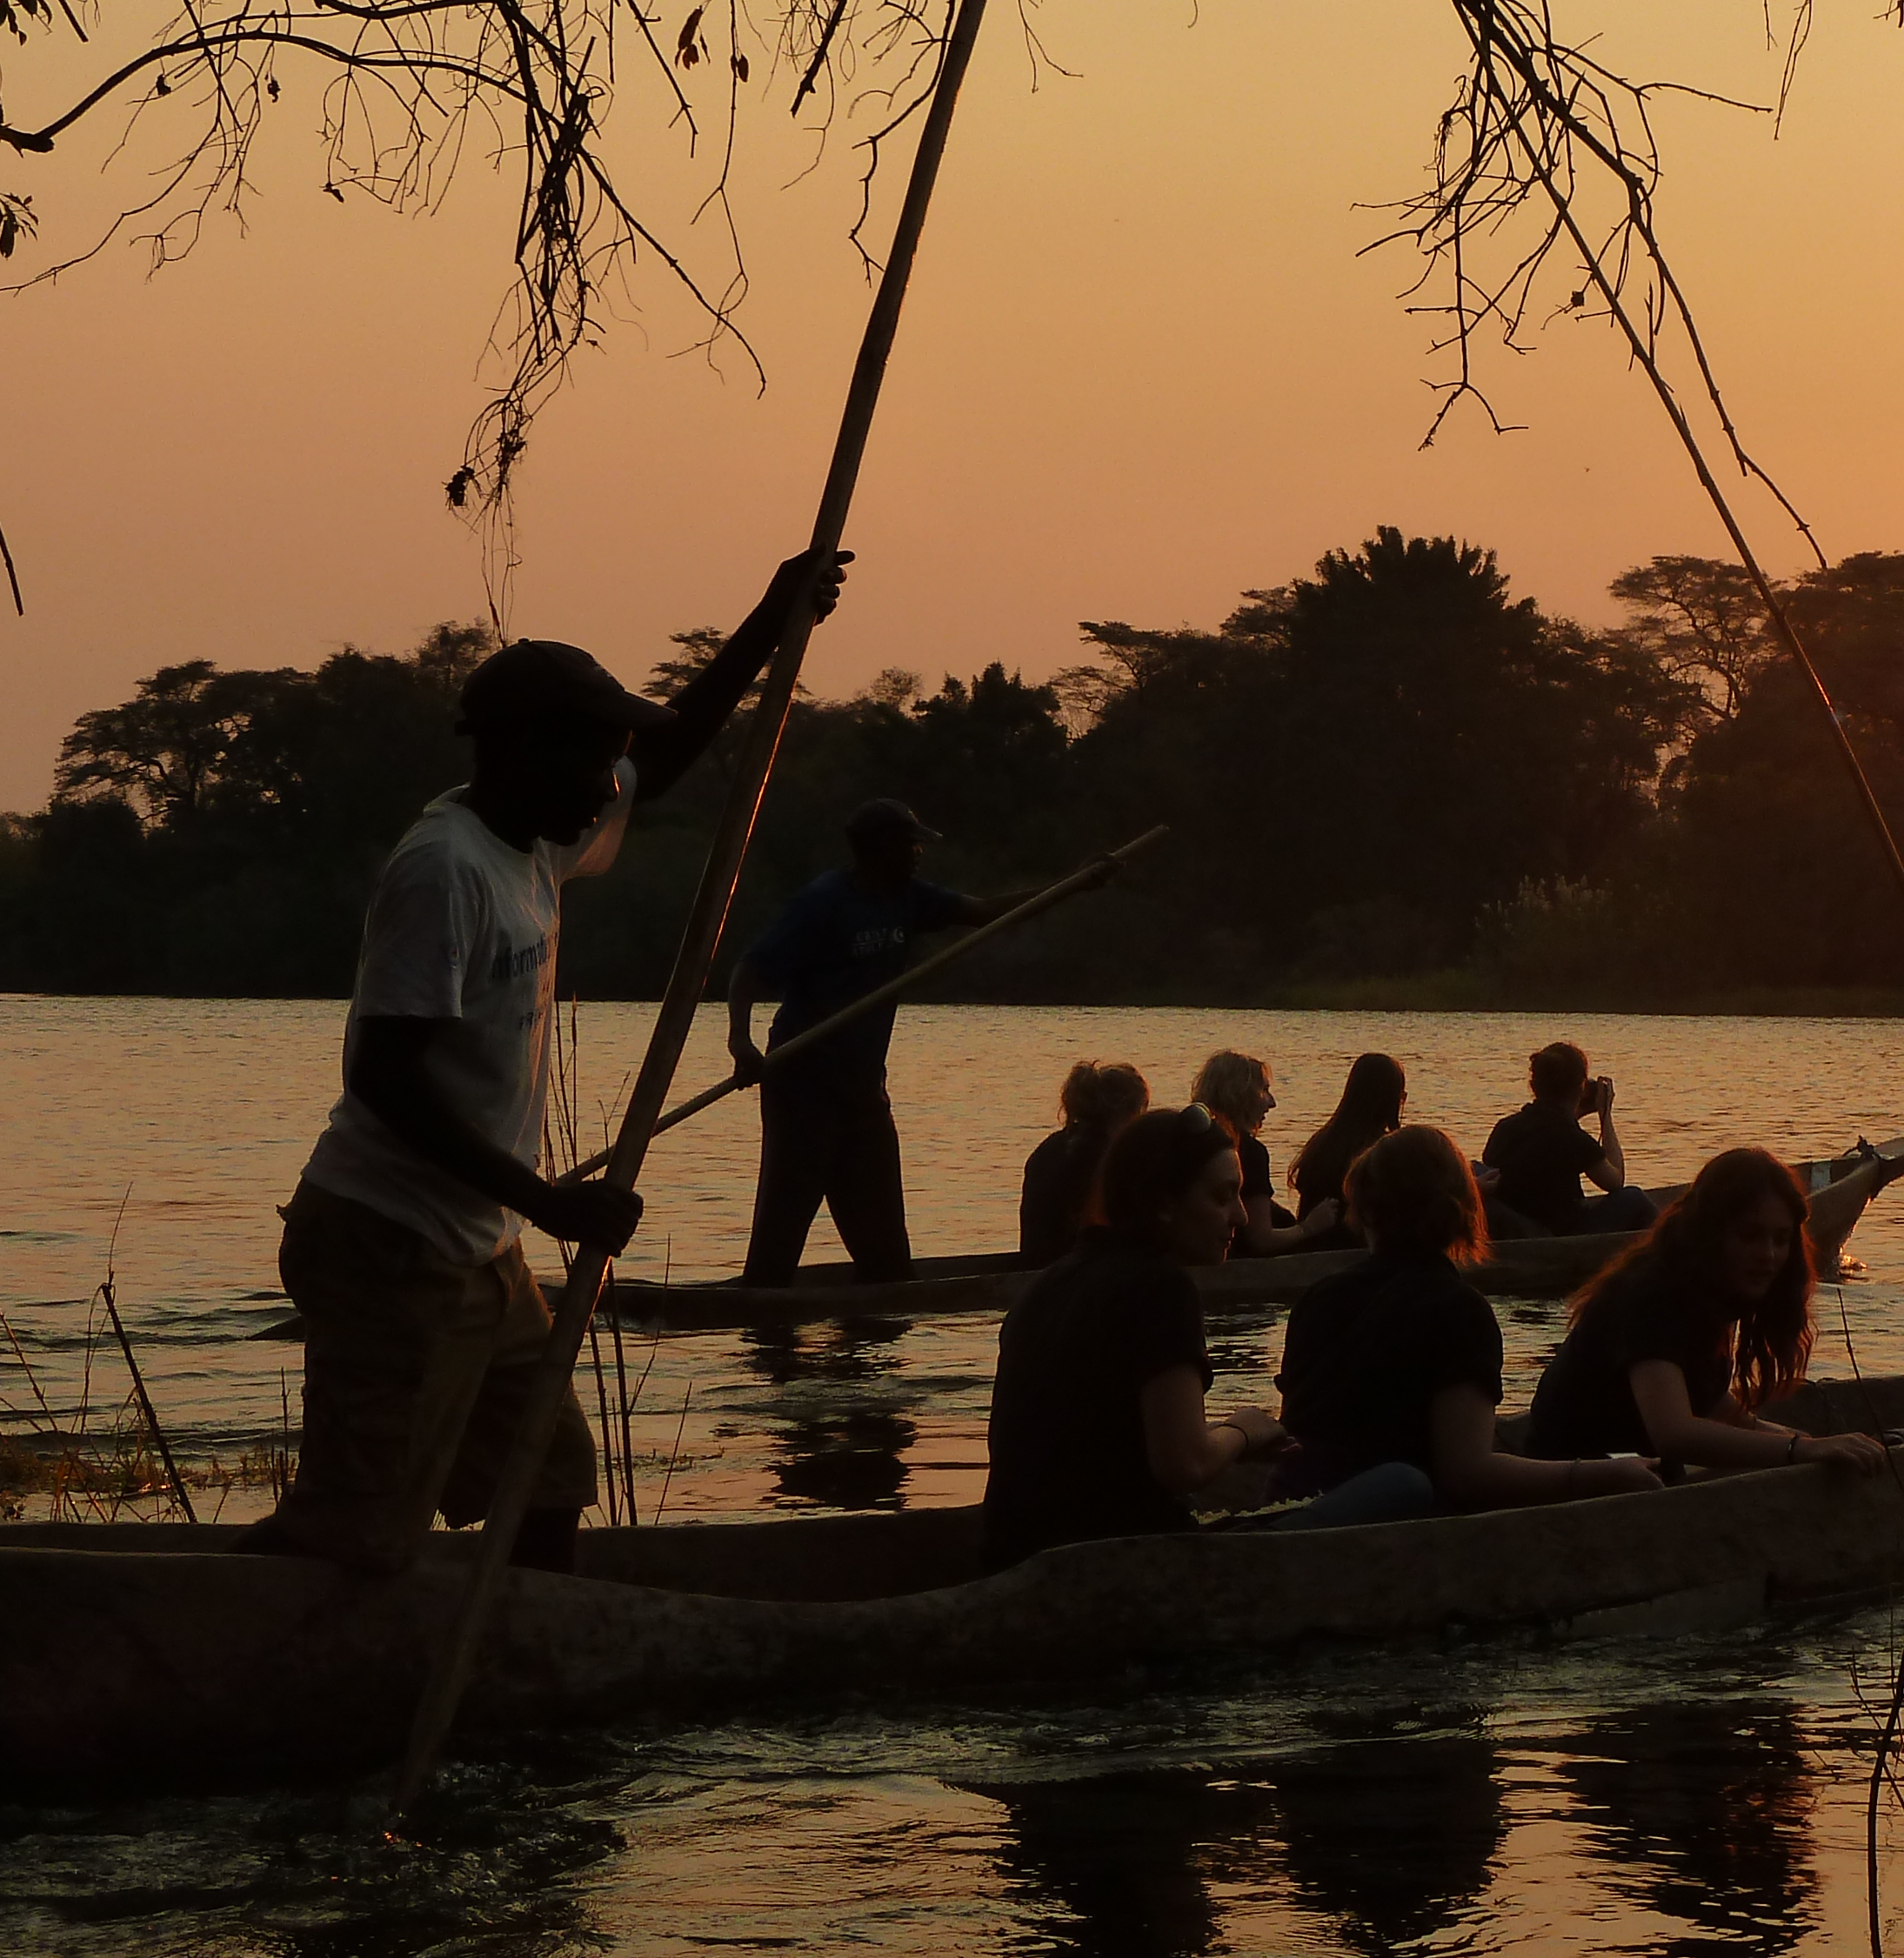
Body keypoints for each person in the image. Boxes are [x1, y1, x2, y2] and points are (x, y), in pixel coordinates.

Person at [244, 551, 848, 1575]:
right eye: (593, 760)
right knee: (352, 1535)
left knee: (550, 1480)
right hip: (390, 1242)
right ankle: (245, 1659)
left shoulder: (538, 833)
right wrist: (551, 1204)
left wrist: (769, 619)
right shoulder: (444, 871)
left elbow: (668, 758)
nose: (610, 785)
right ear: (518, 752)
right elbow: (383, 1082)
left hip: (481, 1245)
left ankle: (509, 1684)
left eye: (614, 758)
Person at [979, 1106, 1419, 1568]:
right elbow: (1184, 1466)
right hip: (1118, 1560)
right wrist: (1244, 1431)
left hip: (1013, 1549)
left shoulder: (1049, 1283)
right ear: (1164, 1203)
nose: (1242, 1217)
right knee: (1404, 1483)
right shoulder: (1159, 1290)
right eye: (1222, 1196)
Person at [1277, 1127, 1664, 1512]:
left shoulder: (1318, 1297)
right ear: (1462, 1209)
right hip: (1391, 1512)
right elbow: (1468, 1474)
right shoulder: (1458, 1310)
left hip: (1294, 1498)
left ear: (1364, 1211)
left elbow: (1299, 1428)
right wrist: (1603, 1475)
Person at [727, 800, 1019, 1288]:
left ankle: (874, 1340)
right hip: (802, 1082)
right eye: (911, 843)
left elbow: (987, 912)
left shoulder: (911, 898)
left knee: (885, 1255)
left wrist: (1073, 885)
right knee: (782, 1233)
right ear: (883, 848)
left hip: (862, 1090)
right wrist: (741, 1042)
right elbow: (749, 972)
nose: (920, 852)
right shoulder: (822, 903)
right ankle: (767, 1337)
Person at [1526, 1149, 1888, 1476]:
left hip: (1636, 1470)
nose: (1770, 1255)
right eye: (1750, 1235)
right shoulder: (1650, 1296)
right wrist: (1801, 1449)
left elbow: (1718, 1409)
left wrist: (1806, 1441)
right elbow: (1674, 1432)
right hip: (1568, 1478)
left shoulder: (1714, 1294)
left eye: (1780, 1239)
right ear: (1712, 1232)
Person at [1480, 1041, 1653, 1238]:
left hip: (1519, 1226)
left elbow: (1546, 1136)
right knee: (1633, 1197)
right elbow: (1615, 1181)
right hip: (1562, 1233)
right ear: (1582, 1086)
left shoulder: (1505, 1127)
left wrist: (1574, 1115)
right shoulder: (1573, 1139)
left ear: (1533, 1086)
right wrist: (1605, 1116)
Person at [1193, 1050, 1346, 1256]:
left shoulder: (1194, 1139)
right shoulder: (1250, 1153)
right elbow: (1261, 1240)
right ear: (1240, 1093)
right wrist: (1309, 1227)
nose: (1271, 1102)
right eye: (1264, 1090)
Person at [1020, 1059, 1149, 1265]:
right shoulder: (1106, 1156)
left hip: (1038, 1271)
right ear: (1127, 1113)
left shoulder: (1050, 1148)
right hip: (1078, 1274)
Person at [1288, 1053, 1407, 1237]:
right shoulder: (1382, 1152)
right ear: (1392, 1099)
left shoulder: (1323, 1142)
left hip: (1314, 1248)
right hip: (1353, 1251)